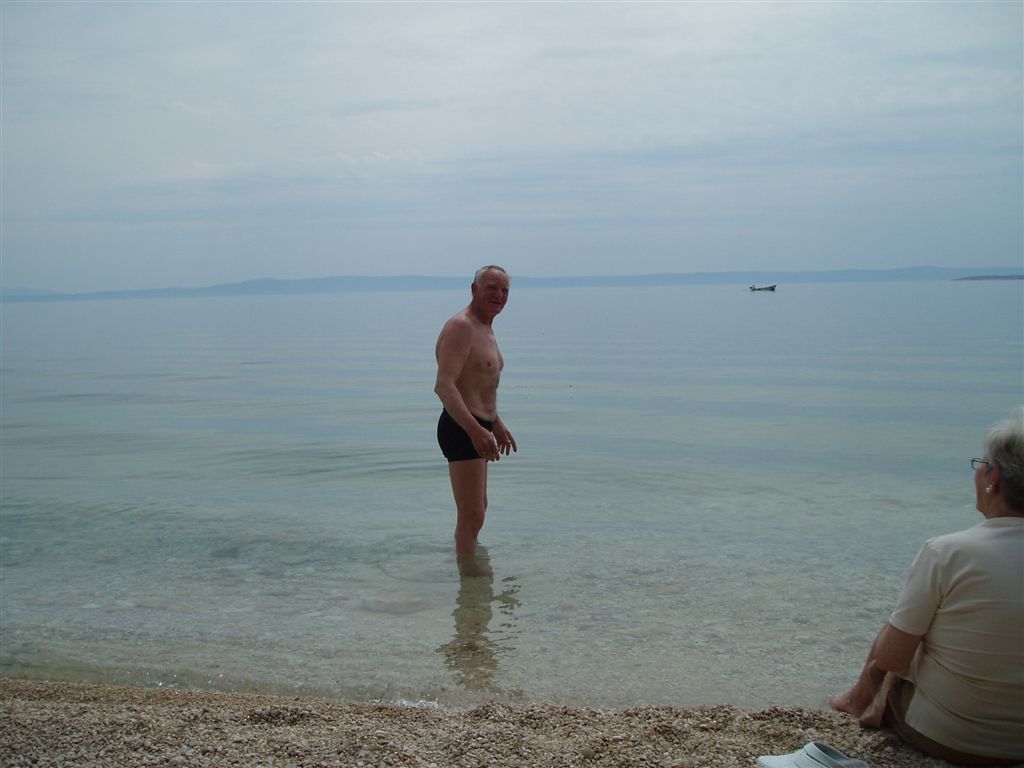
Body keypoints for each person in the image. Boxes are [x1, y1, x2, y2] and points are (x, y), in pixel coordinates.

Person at [831, 407, 1024, 766]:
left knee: (900, 633)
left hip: (952, 738)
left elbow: (892, 658)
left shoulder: (949, 553)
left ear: (994, 477)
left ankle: (854, 701)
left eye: (980, 464)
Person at [434, 266, 517, 576]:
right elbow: (445, 386)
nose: (499, 295)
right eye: (492, 288)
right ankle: (469, 580)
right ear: (474, 289)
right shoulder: (462, 327)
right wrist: (475, 430)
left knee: (478, 510)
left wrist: (495, 423)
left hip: (479, 426)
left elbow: (476, 385)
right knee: (472, 513)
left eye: (505, 290)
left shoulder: (486, 328)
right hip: (462, 427)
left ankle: (468, 563)